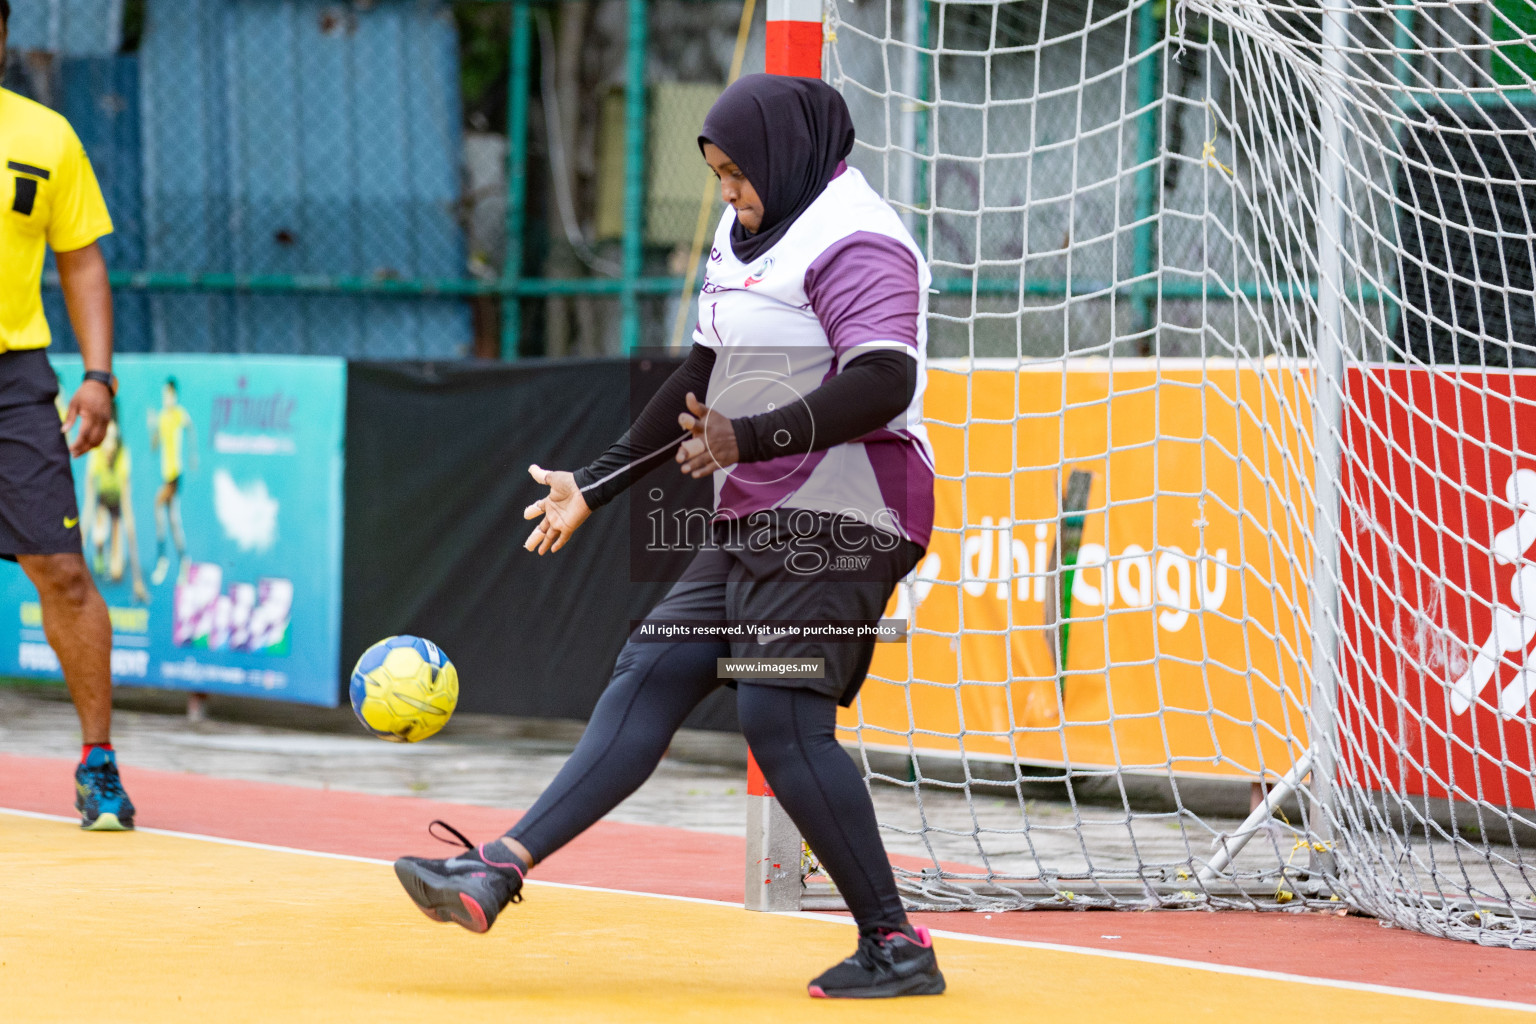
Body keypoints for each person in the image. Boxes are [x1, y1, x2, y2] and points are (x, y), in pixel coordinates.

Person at [394, 75, 943, 999]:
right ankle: (498, 867)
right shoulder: (741, 235)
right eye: (718, 174)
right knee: (649, 670)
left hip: (851, 506)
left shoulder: (860, 237)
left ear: (785, 156)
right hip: (758, 502)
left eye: (738, 174)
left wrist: (750, 435)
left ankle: (895, 944)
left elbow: (884, 380)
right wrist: (594, 487)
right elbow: (699, 374)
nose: (728, 192)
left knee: (779, 717)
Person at [0, 0, 135, 829]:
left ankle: (98, 766)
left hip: (15, 376)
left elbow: (81, 263)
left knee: (65, 573)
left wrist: (98, 377)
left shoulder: (45, 136)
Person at [81, 408, 149, 604]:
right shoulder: (95, 455)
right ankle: (100, 551)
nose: (109, 445)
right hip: (101, 504)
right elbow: (88, 509)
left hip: (117, 507)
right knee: (98, 536)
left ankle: (112, 556)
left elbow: (128, 515)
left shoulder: (123, 457)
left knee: (117, 572)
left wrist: (138, 579)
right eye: (105, 439)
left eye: (113, 438)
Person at [148, 375, 194, 585]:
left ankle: (163, 560)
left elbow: (190, 429)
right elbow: (154, 446)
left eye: (170, 394)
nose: (167, 398)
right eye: (164, 394)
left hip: (175, 474)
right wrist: (152, 427)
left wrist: (193, 455)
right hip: (165, 472)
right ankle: (184, 562)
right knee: (174, 521)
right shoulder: (161, 417)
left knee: (158, 506)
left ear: (174, 395)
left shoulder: (178, 414)